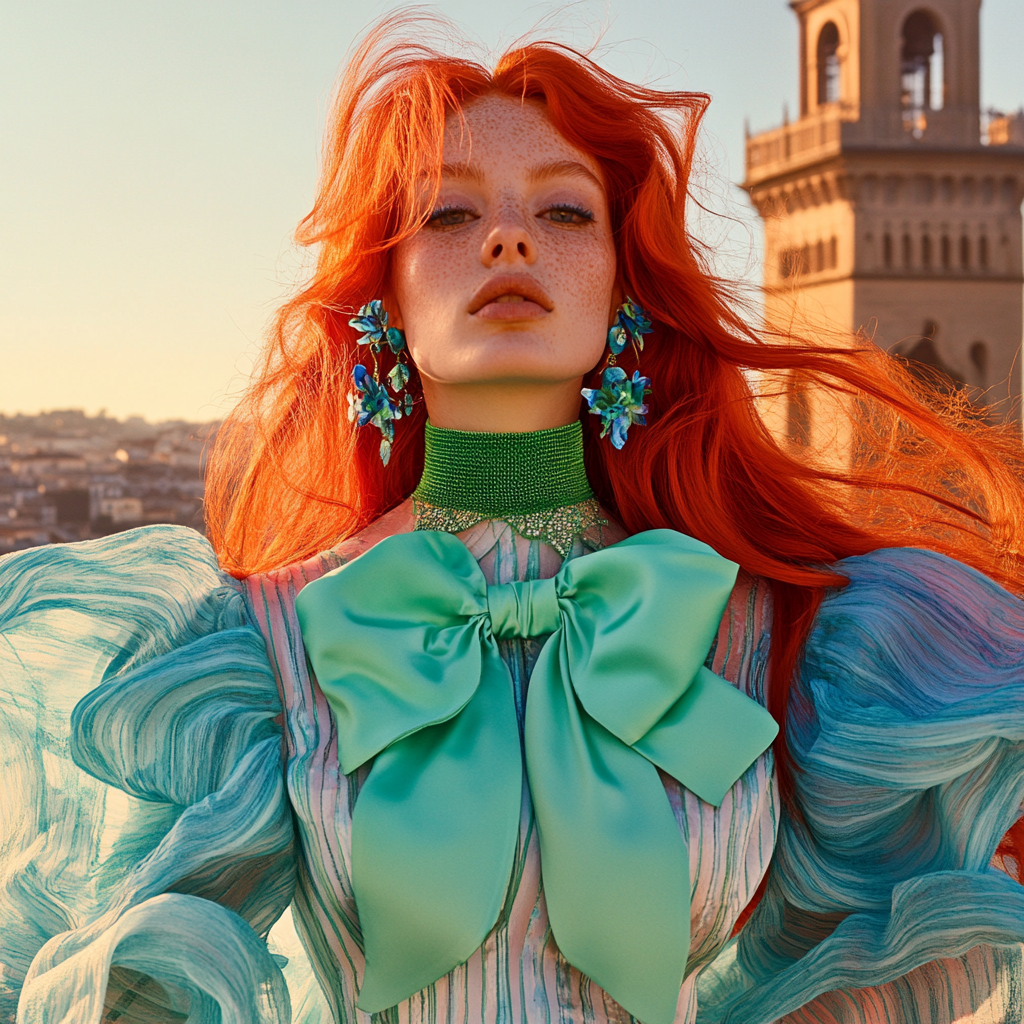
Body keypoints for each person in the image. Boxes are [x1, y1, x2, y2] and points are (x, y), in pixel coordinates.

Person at [4, 13, 1024, 1024]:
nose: (509, 235)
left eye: (567, 213)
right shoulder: (264, 642)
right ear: (384, 299)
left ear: (625, 293)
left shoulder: (771, 630)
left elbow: (850, 969)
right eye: (448, 216)